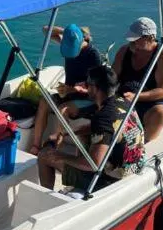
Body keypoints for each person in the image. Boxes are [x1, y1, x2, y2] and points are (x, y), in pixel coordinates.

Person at [36, 64, 145, 193]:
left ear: (95, 88)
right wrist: (65, 134)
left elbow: (94, 164)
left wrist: (59, 156)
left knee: (44, 156)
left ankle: (48, 199)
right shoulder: (123, 102)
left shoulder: (103, 118)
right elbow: (107, 129)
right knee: (85, 134)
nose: (86, 88)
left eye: (87, 85)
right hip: (135, 167)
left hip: (109, 180)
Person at [29, 23, 104, 155]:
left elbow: (97, 89)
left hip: (87, 98)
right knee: (44, 101)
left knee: (62, 109)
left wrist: (75, 89)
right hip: (69, 93)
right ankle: (35, 146)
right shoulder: (68, 43)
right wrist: (69, 32)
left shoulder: (93, 55)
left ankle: (53, 149)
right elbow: (45, 29)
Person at [111, 16, 163, 143]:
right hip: (124, 98)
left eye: (136, 40)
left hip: (151, 103)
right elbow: (112, 78)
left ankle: (142, 141)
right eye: (131, 40)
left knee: (161, 113)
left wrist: (136, 96)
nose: (132, 43)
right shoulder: (124, 51)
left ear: (149, 37)